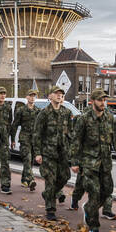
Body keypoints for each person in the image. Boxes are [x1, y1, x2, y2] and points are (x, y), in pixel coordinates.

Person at [70, 88, 115, 232]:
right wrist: (75, 162)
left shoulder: (109, 116)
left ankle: (89, 208)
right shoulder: (84, 118)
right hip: (89, 162)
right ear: (92, 101)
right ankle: (93, 226)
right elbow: (76, 140)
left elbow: (114, 138)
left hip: (105, 162)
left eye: (104, 100)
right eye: (100, 100)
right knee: (94, 193)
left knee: (107, 191)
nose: (103, 103)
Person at [34, 86, 73, 220]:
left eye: (61, 94)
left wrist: (72, 151)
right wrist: (38, 153)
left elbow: (70, 133)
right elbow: (37, 134)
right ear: (50, 96)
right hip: (48, 153)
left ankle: (48, 194)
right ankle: (50, 209)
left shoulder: (66, 113)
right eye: (56, 93)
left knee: (65, 177)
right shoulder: (44, 113)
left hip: (63, 153)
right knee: (50, 181)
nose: (59, 96)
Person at [11, 90, 39, 190]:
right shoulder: (21, 110)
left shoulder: (37, 111)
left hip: (34, 140)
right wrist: (13, 139)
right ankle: (31, 180)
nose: (32, 98)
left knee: (30, 161)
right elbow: (14, 125)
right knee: (27, 158)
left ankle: (24, 180)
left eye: (34, 96)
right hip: (24, 138)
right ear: (26, 97)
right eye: (30, 96)